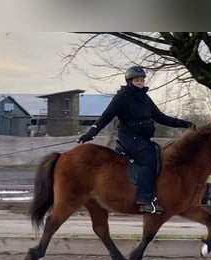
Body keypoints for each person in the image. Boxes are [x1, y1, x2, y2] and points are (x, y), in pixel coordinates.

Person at [77, 65, 195, 213]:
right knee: (148, 159)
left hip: (143, 137)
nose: (140, 82)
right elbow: (106, 116)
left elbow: (160, 117)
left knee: (159, 154)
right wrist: (92, 132)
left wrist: (185, 124)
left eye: (142, 80)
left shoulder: (145, 98)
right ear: (129, 81)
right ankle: (145, 200)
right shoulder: (122, 97)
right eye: (137, 80)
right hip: (128, 136)